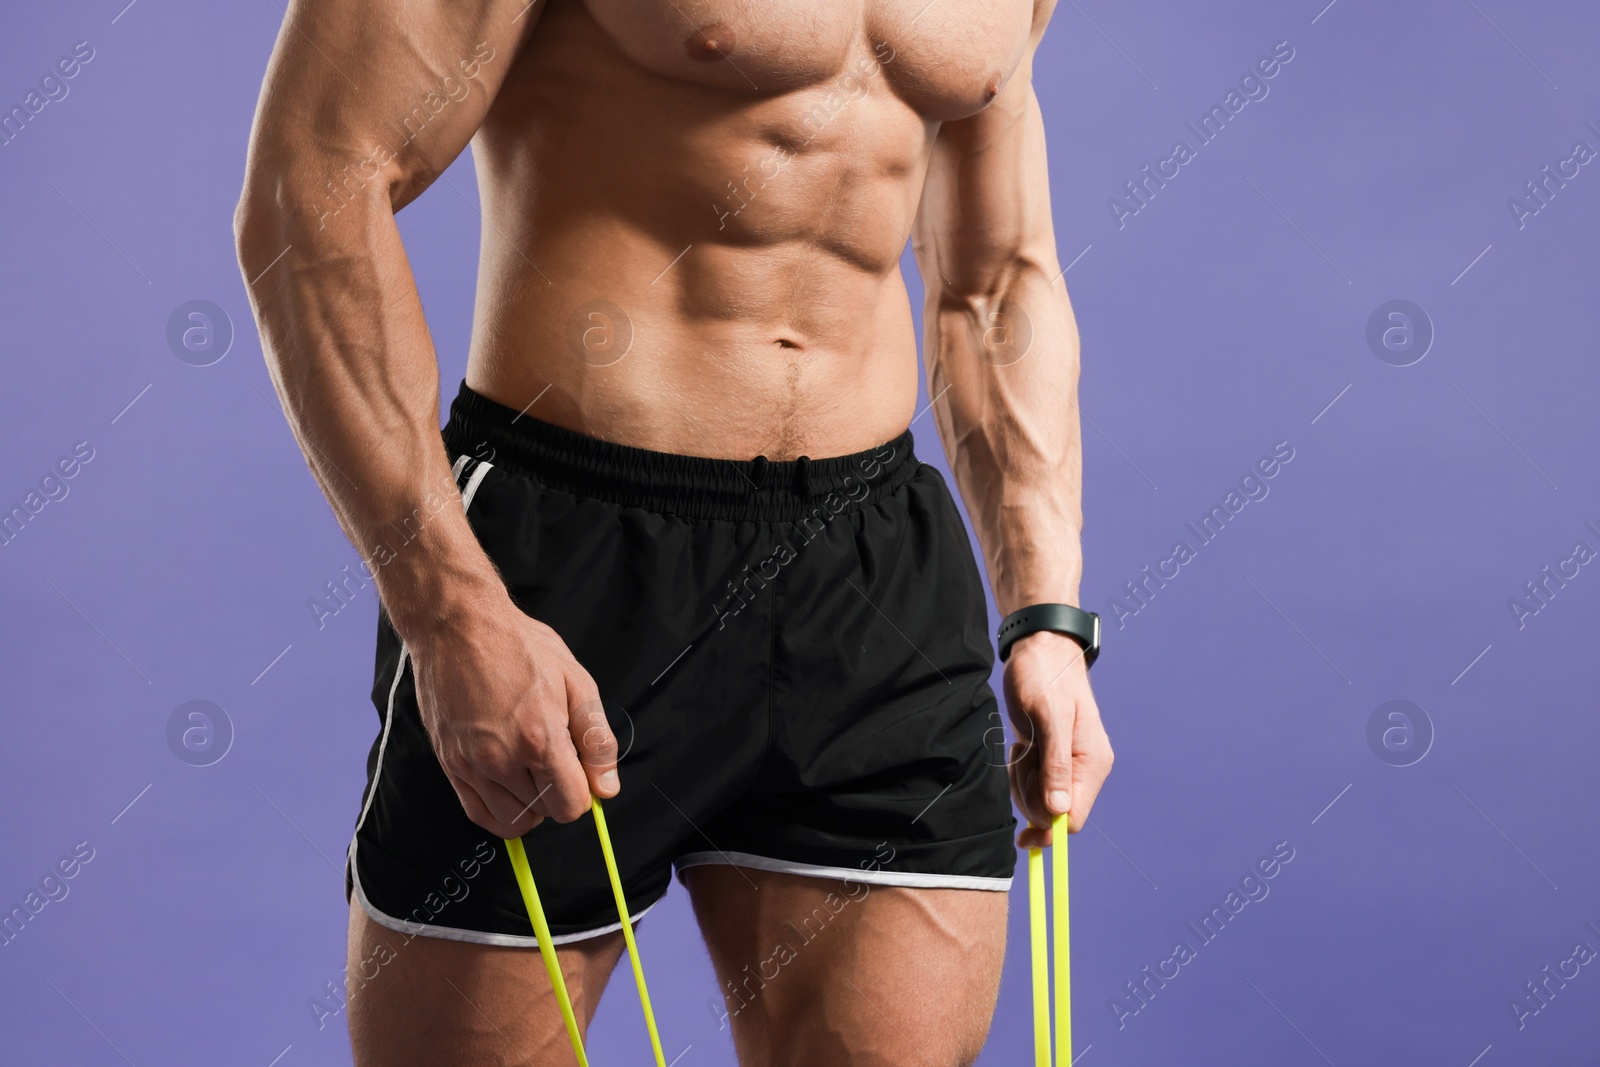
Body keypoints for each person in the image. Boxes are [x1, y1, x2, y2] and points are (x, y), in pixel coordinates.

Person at [234, 0, 1113, 1062]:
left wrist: (1046, 614)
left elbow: (995, 281)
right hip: (565, 565)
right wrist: (453, 612)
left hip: (871, 572)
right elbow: (312, 185)